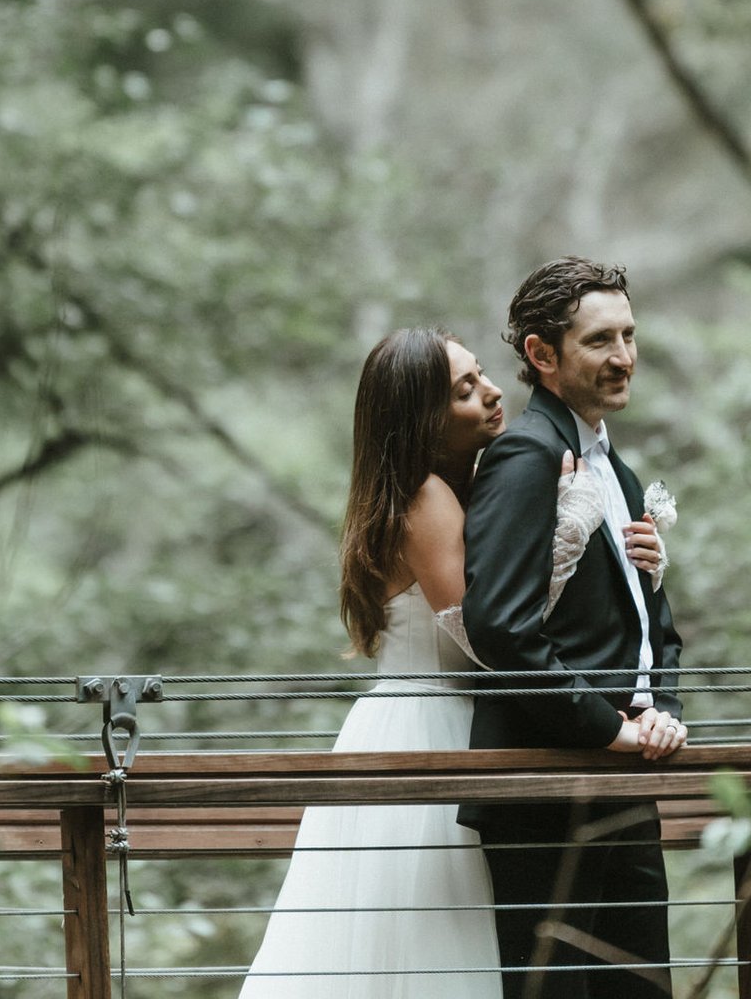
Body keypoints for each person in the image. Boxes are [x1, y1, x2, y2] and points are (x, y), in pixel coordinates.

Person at [238, 327, 665, 995]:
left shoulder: (449, 490)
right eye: (464, 390)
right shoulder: (425, 498)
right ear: (420, 419)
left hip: (433, 720)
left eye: (481, 374)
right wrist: (573, 537)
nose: (493, 392)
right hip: (432, 726)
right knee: (432, 945)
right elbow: (482, 631)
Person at [461, 257, 685, 997]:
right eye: (599, 341)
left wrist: (664, 714)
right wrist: (605, 726)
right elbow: (500, 627)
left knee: (643, 988)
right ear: (541, 354)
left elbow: (653, 624)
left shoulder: (614, 470)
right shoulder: (526, 457)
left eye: (628, 336)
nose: (623, 358)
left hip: (624, 772)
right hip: (546, 786)